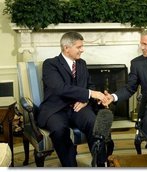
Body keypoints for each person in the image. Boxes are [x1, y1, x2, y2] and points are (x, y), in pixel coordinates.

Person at [37, 31, 109, 167]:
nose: (82, 50)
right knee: (59, 130)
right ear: (66, 48)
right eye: (79, 47)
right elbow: (60, 88)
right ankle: (70, 166)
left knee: (94, 123)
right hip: (56, 109)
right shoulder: (50, 64)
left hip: (79, 107)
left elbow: (90, 85)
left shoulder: (82, 63)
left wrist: (86, 100)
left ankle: (101, 164)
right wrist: (90, 94)